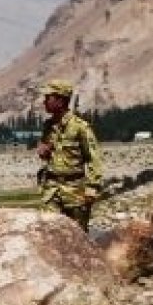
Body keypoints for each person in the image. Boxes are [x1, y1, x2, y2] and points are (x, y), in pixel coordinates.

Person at [36, 79, 102, 231]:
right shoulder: (48, 126)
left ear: (60, 100)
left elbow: (94, 158)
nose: (44, 102)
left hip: (75, 192)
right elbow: (47, 152)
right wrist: (43, 151)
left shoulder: (79, 127)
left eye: (48, 98)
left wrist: (92, 188)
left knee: (77, 236)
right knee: (49, 233)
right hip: (52, 190)